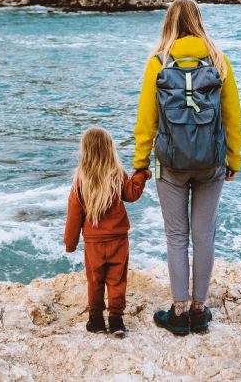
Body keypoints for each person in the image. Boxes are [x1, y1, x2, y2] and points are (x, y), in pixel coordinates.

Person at [133, 0, 241, 336]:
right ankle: (199, 309)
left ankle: (178, 312)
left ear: (169, 23)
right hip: (211, 162)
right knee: (204, 235)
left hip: (171, 165)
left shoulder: (158, 62)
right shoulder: (219, 61)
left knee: (176, 236)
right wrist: (234, 158)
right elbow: (233, 117)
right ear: (199, 21)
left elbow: (146, 120)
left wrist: (140, 164)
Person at [63, 127, 148, 337]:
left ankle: (96, 320)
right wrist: (142, 174)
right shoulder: (117, 174)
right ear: (110, 150)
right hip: (118, 239)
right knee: (117, 280)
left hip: (94, 242)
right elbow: (132, 193)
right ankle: (116, 321)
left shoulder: (80, 181)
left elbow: (74, 216)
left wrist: (70, 243)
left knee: (95, 280)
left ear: (85, 151)